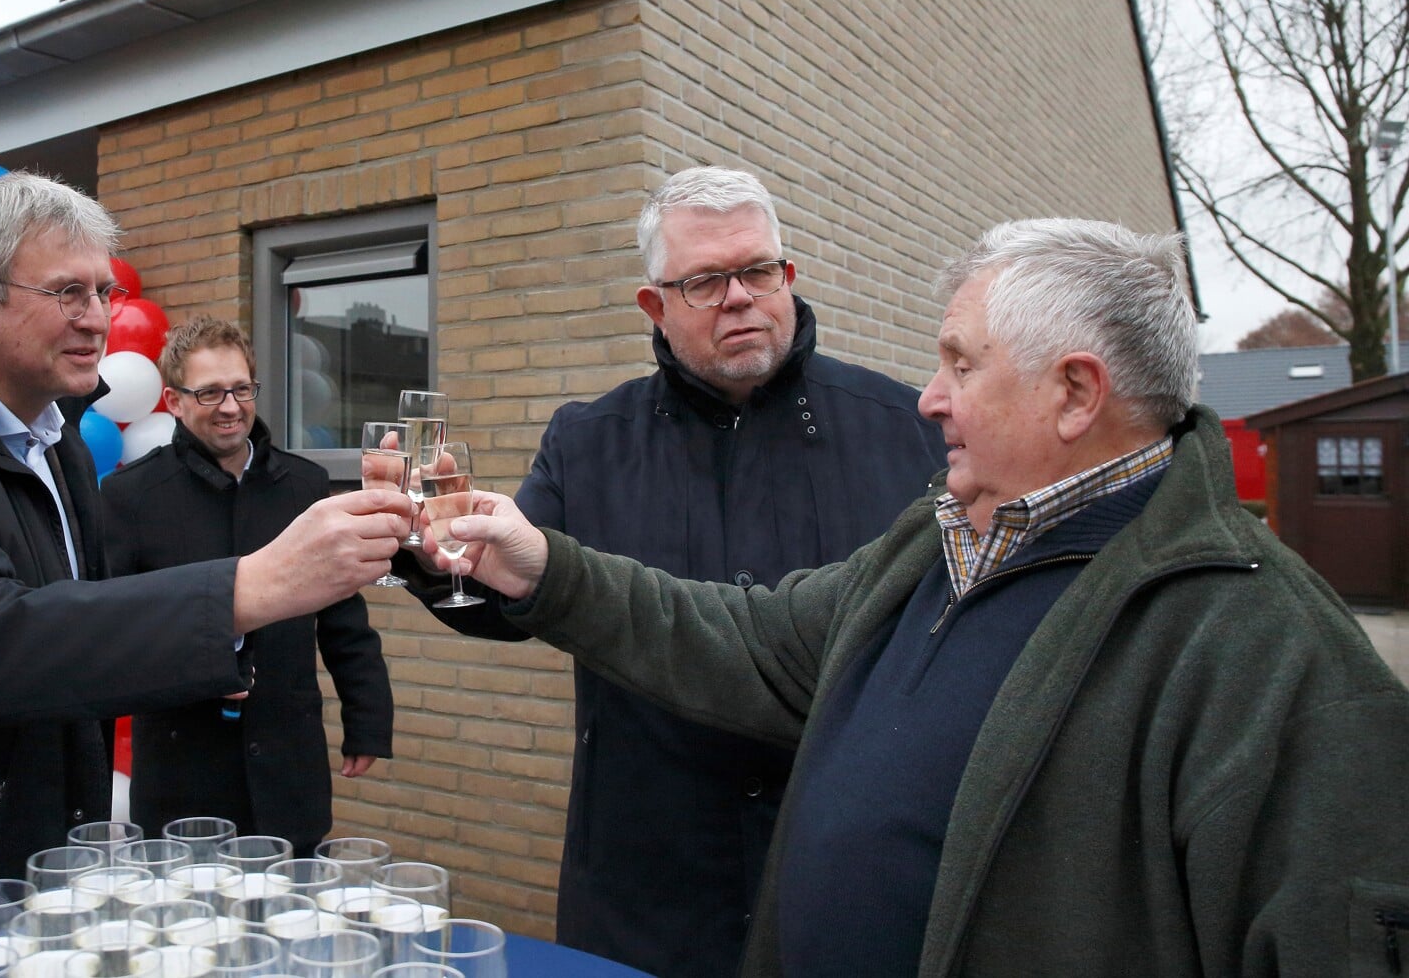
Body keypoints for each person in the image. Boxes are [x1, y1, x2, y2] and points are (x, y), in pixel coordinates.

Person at [436, 218, 1409, 976]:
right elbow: (753, 638)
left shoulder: (1269, 650)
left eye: (961, 362)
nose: (927, 398)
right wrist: (541, 566)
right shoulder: (939, 543)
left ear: (1075, 393)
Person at [0, 174, 410, 976]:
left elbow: (68, 623)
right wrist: (246, 589)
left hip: (13, 884)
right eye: (67, 292)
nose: (98, 316)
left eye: (103, 291)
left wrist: (201, 657)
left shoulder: (52, 438)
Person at [407, 166, 943, 976]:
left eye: (759, 271)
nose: (739, 297)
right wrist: (441, 554)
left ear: (787, 276)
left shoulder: (906, 433)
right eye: (702, 281)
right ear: (653, 305)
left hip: (842, 880)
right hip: (644, 883)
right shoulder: (589, 442)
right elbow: (510, 598)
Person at [100, 315, 393, 857]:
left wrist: (368, 719)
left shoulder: (306, 484)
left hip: (289, 764)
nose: (231, 406)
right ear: (172, 400)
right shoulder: (129, 498)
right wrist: (196, 665)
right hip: (183, 777)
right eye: (209, 392)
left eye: (240, 388)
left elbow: (342, 613)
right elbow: (113, 635)